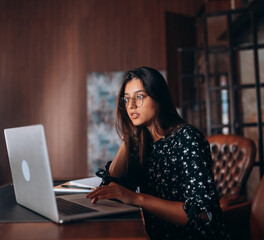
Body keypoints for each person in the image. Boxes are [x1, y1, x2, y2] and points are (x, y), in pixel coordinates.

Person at [86, 67, 229, 240]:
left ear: (158, 98)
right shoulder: (142, 140)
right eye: (127, 99)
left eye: (139, 97)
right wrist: (129, 138)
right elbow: (112, 187)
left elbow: (202, 214)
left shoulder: (187, 138)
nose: (131, 106)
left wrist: (136, 198)